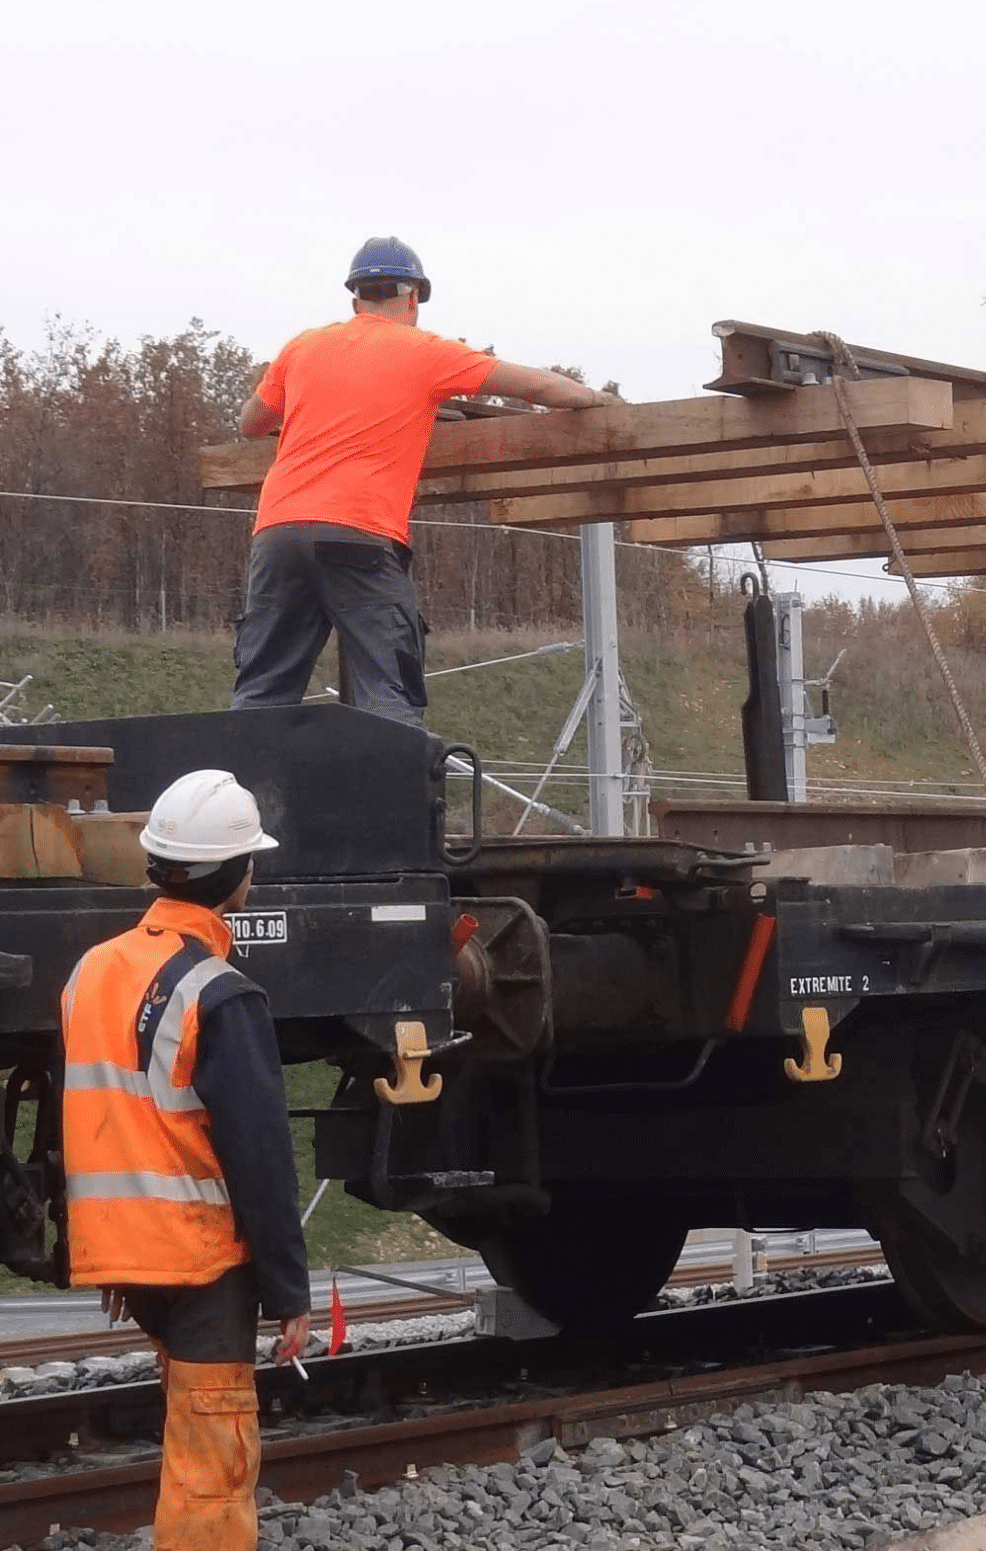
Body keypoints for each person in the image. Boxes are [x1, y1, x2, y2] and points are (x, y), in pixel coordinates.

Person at [59, 770, 311, 1551]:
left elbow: (103, 1117)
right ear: (238, 877)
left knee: (190, 1432)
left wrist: (113, 1252)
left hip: (130, 1261)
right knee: (212, 1465)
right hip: (201, 1262)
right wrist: (290, 1291)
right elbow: (259, 1156)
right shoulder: (220, 993)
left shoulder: (90, 972)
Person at [229, 236, 610, 725]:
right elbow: (537, 385)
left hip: (277, 532)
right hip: (358, 532)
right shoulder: (425, 352)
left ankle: (240, 775)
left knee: (261, 694)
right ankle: (388, 776)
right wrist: (596, 400)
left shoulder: (303, 346)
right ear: (413, 299)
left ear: (355, 300)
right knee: (389, 692)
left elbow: (250, 423)